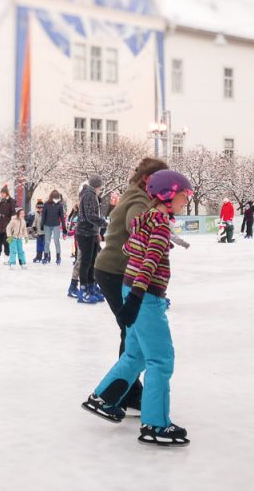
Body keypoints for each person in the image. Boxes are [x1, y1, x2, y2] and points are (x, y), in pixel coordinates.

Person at [81, 169, 194, 447]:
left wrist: (132, 292)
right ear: (168, 196)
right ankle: (156, 424)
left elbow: (129, 249)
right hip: (145, 296)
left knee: (136, 354)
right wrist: (138, 297)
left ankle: (105, 398)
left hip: (131, 288)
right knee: (161, 359)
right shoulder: (158, 223)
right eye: (184, 196)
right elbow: (149, 262)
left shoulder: (145, 219)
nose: (186, 202)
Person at [94, 156, 168, 414]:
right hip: (116, 272)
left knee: (132, 332)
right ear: (149, 179)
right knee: (132, 331)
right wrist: (158, 229)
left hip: (111, 269)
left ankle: (125, 391)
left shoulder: (134, 194)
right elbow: (137, 228)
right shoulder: (139, 200)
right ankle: (123, 393)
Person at [76, 176, 108, 303]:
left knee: (92, 260)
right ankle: (83, 289)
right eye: (100, 187)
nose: (101, 189)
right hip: (85, 232)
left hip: (91, 232)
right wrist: (103, 223)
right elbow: (90, 216)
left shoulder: (91, 195)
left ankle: (91, 285)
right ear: (96, 186)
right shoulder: (89, 195)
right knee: (86, 261)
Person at [41, 190, 66, 265]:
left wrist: (64, 227)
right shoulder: (46, 204)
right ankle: (46, 256)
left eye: (57, 197)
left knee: (56, 241)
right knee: (47, 242)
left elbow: (61, 216)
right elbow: (44, 215)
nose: (56, 199)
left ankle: (58, 257)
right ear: (52, 197)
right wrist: (42, 224)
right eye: (55, 197)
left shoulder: (60, 205)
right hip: (47, 225)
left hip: (56, 225)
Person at [0, 186, 15, 262]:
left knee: (6, 241)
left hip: (8, 223)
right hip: (1, 223)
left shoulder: (12, 201)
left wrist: (13, 222)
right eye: (1, 193)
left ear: (6, 193)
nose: (2, 194)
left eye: (3, 193)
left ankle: (7, 256)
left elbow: (13, 212)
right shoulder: (1, 202)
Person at [32, 199, 45, 263]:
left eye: (41, 208)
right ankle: (38, 257)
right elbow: (35, 220)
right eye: (38, 208)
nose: (40, 209)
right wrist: (34, 226)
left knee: (45, 245)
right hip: (39, 232)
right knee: (39, 245)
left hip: (45, 232)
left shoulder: (45, 213)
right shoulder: (36, 213)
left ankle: (47, 256)